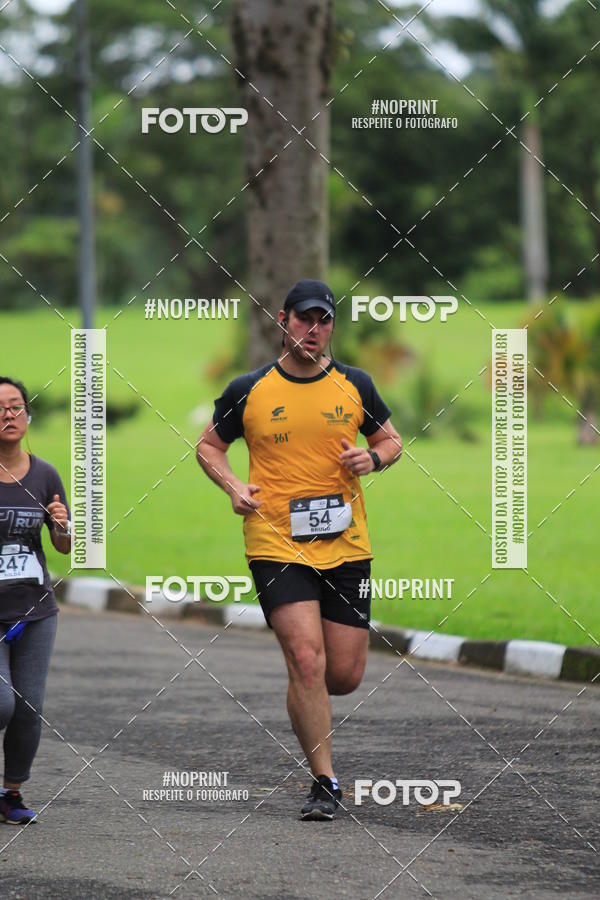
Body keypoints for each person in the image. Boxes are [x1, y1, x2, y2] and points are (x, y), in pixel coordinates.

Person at [196, 279, 402, 820]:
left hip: (347, 545)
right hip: (275, 544)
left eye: (325, 320)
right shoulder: (250, 388)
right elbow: (208, 446)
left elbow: (391, 440)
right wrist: (235, 487)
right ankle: (325, 781)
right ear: (283, 320)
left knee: (343, 676)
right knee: (307, 658)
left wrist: (372, 460)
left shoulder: (355, 384)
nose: (315, 329)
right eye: (305, 318)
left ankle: (306, 696)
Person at [0, 377, 71, 825]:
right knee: (1, 703)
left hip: (35, 610)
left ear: (28, 415)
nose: (9, 414)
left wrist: (62, 526)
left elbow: (62, 546)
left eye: (16, 406)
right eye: (0, 407)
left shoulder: (44, 474)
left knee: (28, 705)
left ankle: (12, 793)